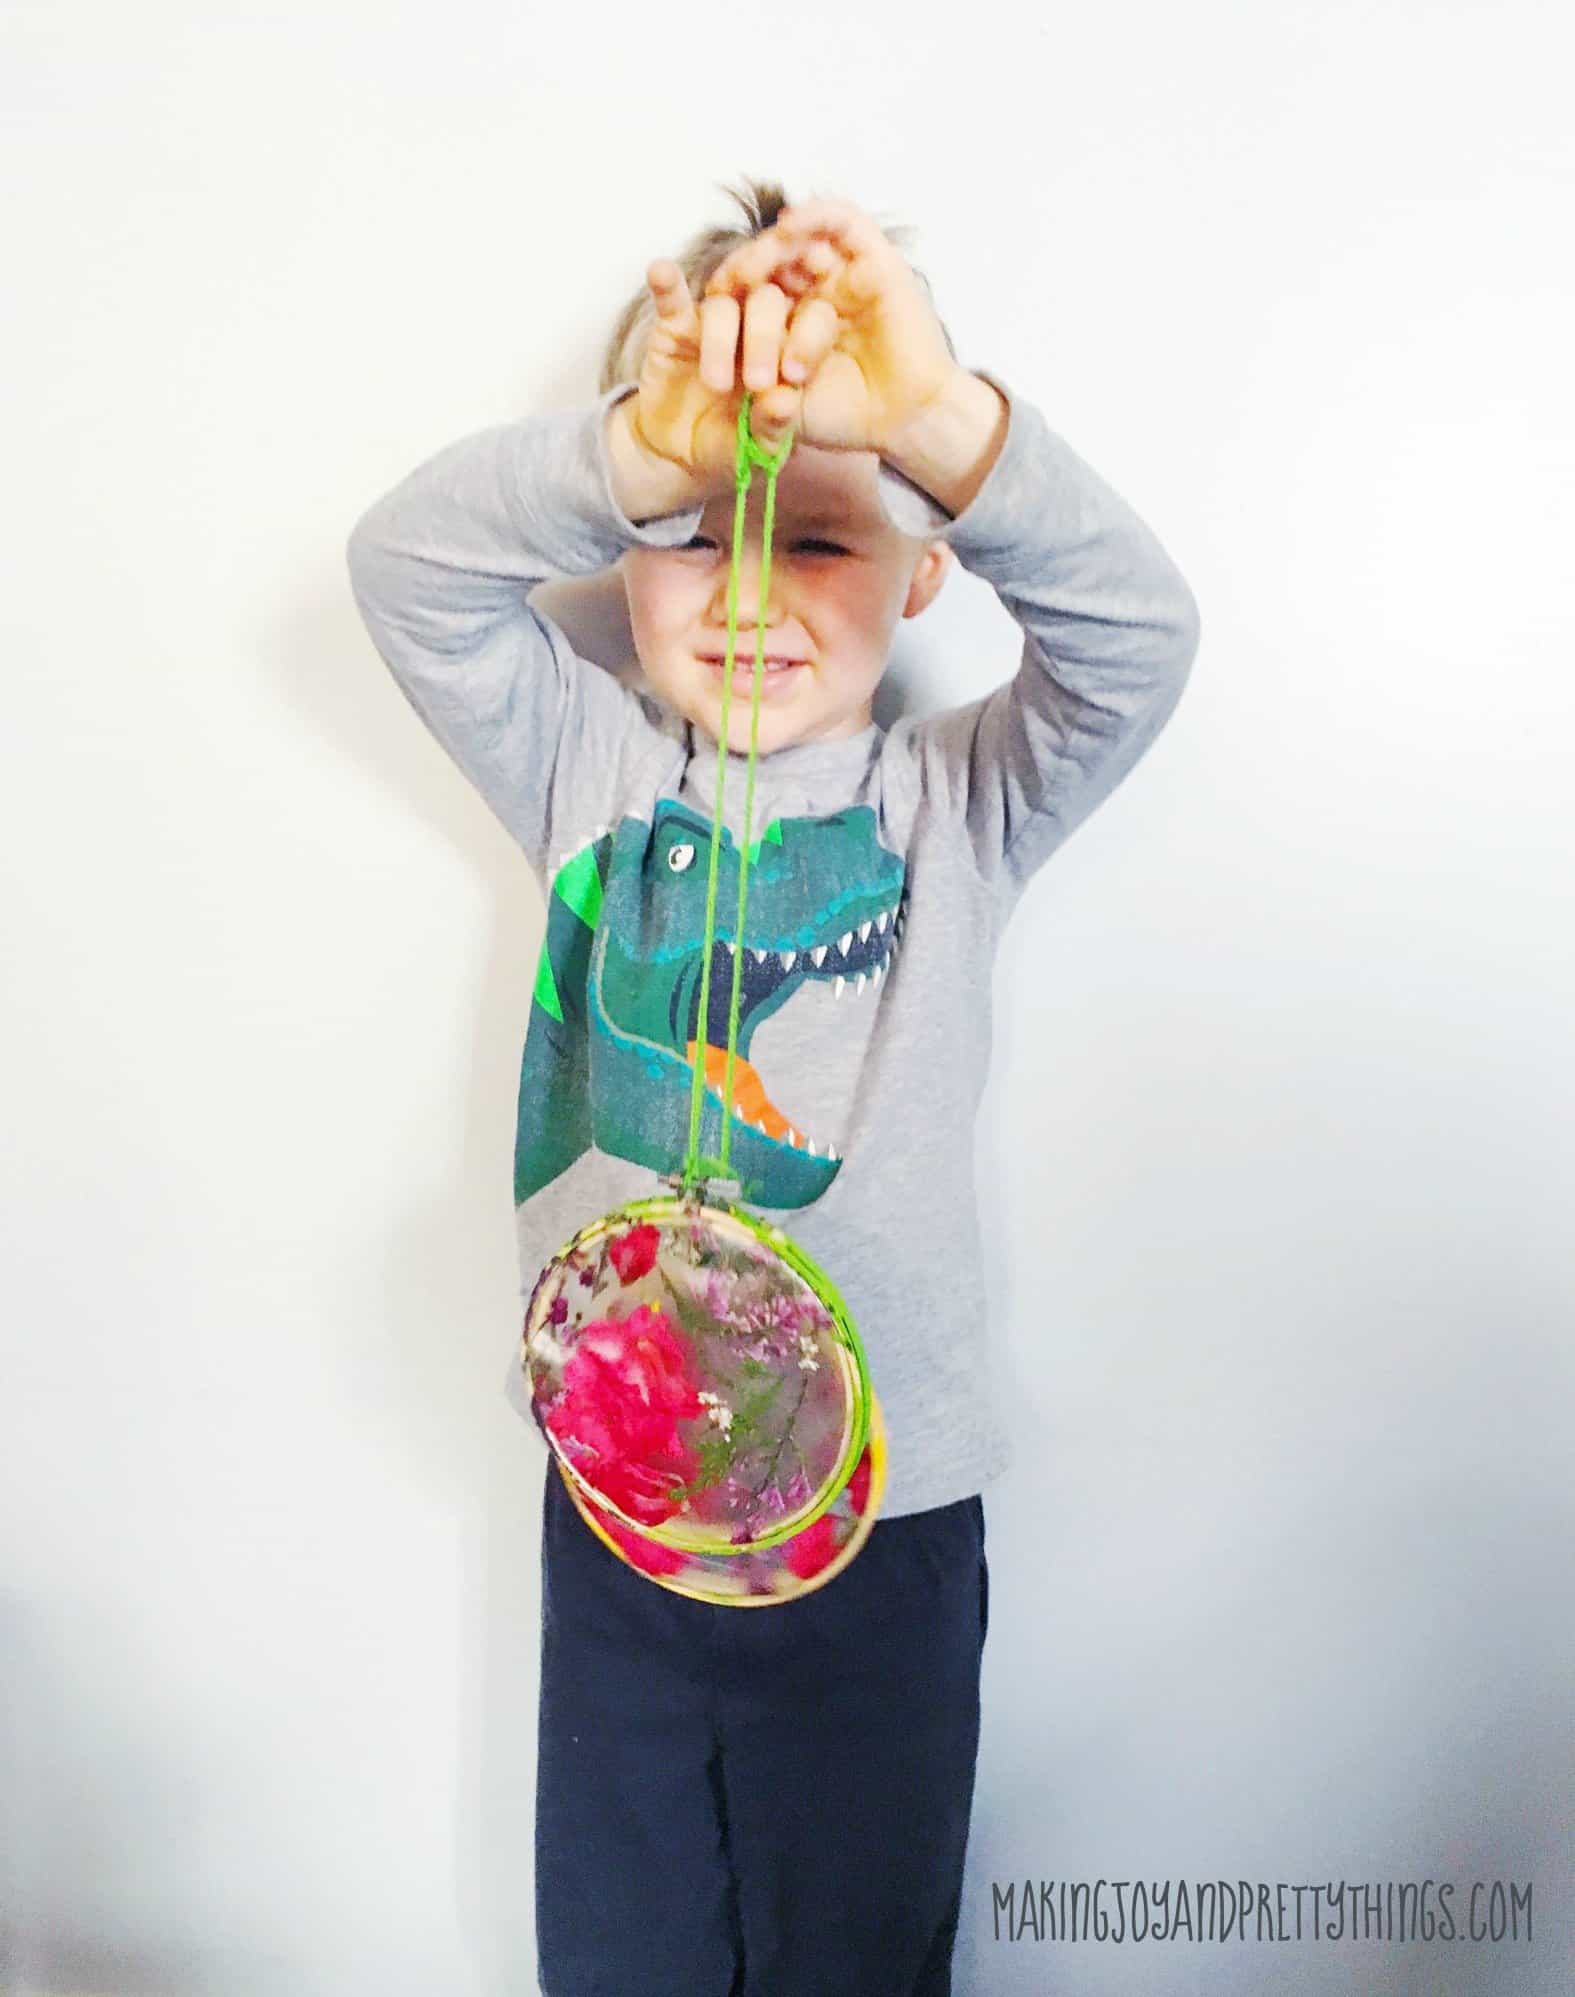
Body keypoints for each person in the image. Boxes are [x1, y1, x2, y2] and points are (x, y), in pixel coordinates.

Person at [346, 175, 1200, 1996]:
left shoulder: (962, 803)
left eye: (815, 537)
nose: (743, 595)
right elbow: (403, 569)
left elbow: (1140, 640)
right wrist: (643, 444)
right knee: (624, 1947)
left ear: (926, 561)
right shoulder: (579, 756)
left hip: (882, 1540)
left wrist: (936, 426)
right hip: (625, 1520)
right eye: (685, 528)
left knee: (858, 1957)